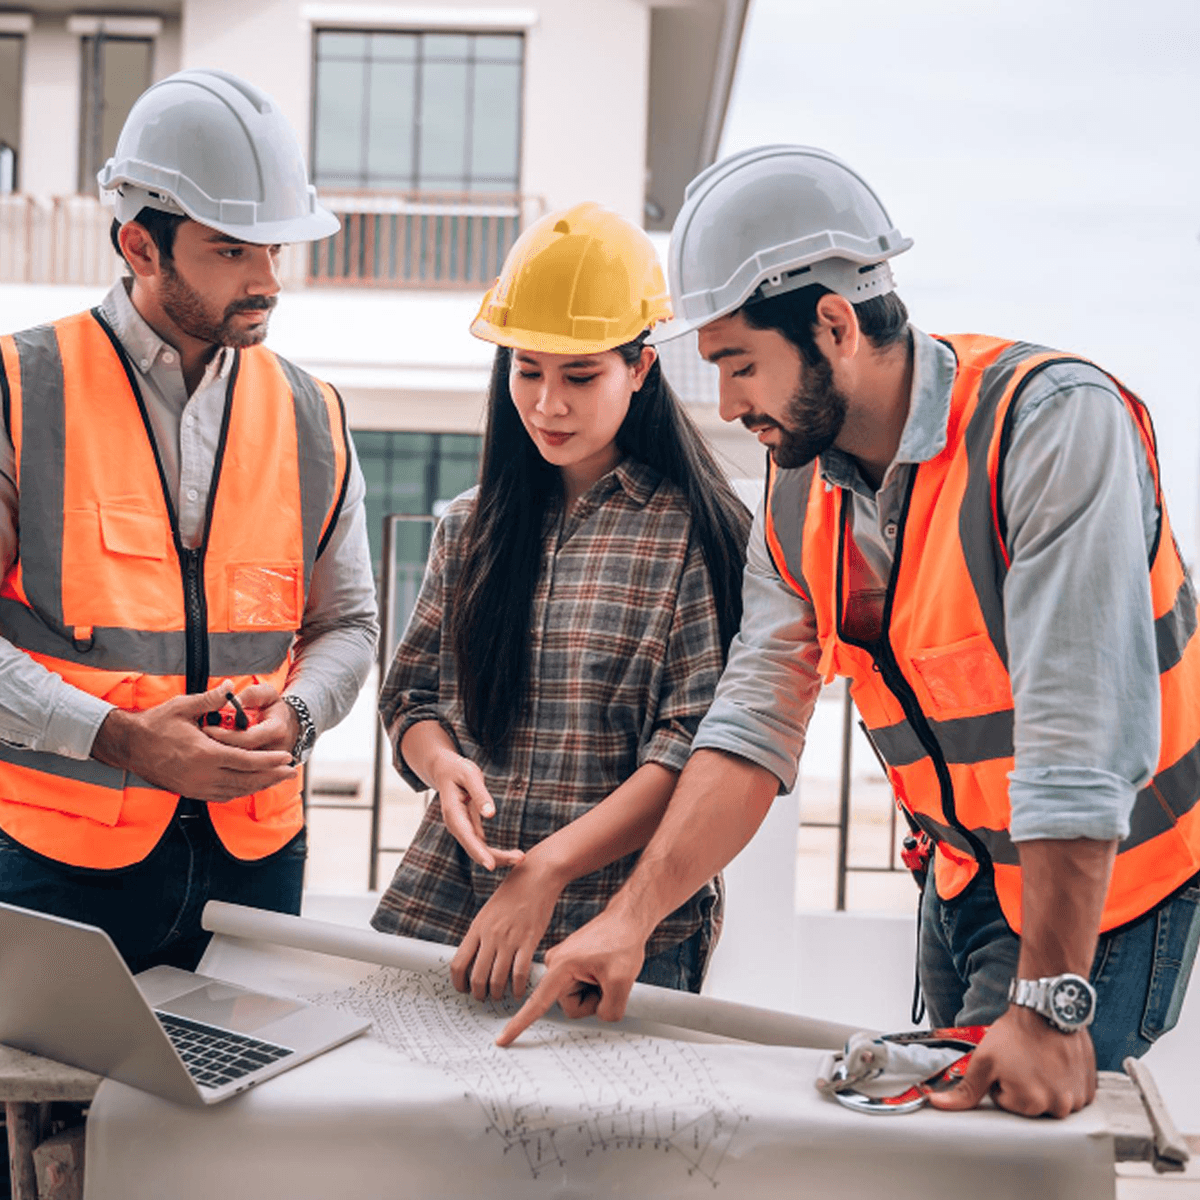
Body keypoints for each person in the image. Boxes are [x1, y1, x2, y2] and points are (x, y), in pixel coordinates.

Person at [498, 146, 1200, 1119]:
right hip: (964, 887)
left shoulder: (1049, 428)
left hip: (1105, 893)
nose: (730, 405)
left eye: (741, 366)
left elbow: (1075, 743)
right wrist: (628, 921)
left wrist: (1046, 1007)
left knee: (1011, 1157)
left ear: (834, 325)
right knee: (953, 1157)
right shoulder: (798, 490)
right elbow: (749, 726)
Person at [0, 69, 378, 971]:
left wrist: (299, 711)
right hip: (58, 864)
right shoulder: (19, 391)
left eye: (275, 251)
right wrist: (120, 741)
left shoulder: (312, 414)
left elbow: (349, 624)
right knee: (51, 1113)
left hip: (257, 862)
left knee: (237, 1103)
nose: (267, 281)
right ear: (140, 245)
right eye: (231, 251)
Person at [370, 202, 750, 1002]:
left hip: (617, 932)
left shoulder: (696, 537)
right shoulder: (469, 526)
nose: (547, 405)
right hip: (455, 908)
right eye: (526, 371)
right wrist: (444, 769)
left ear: (641, 369)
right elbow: (411, 697)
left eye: (581, 376)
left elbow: (689, 751)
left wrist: (547, 868)